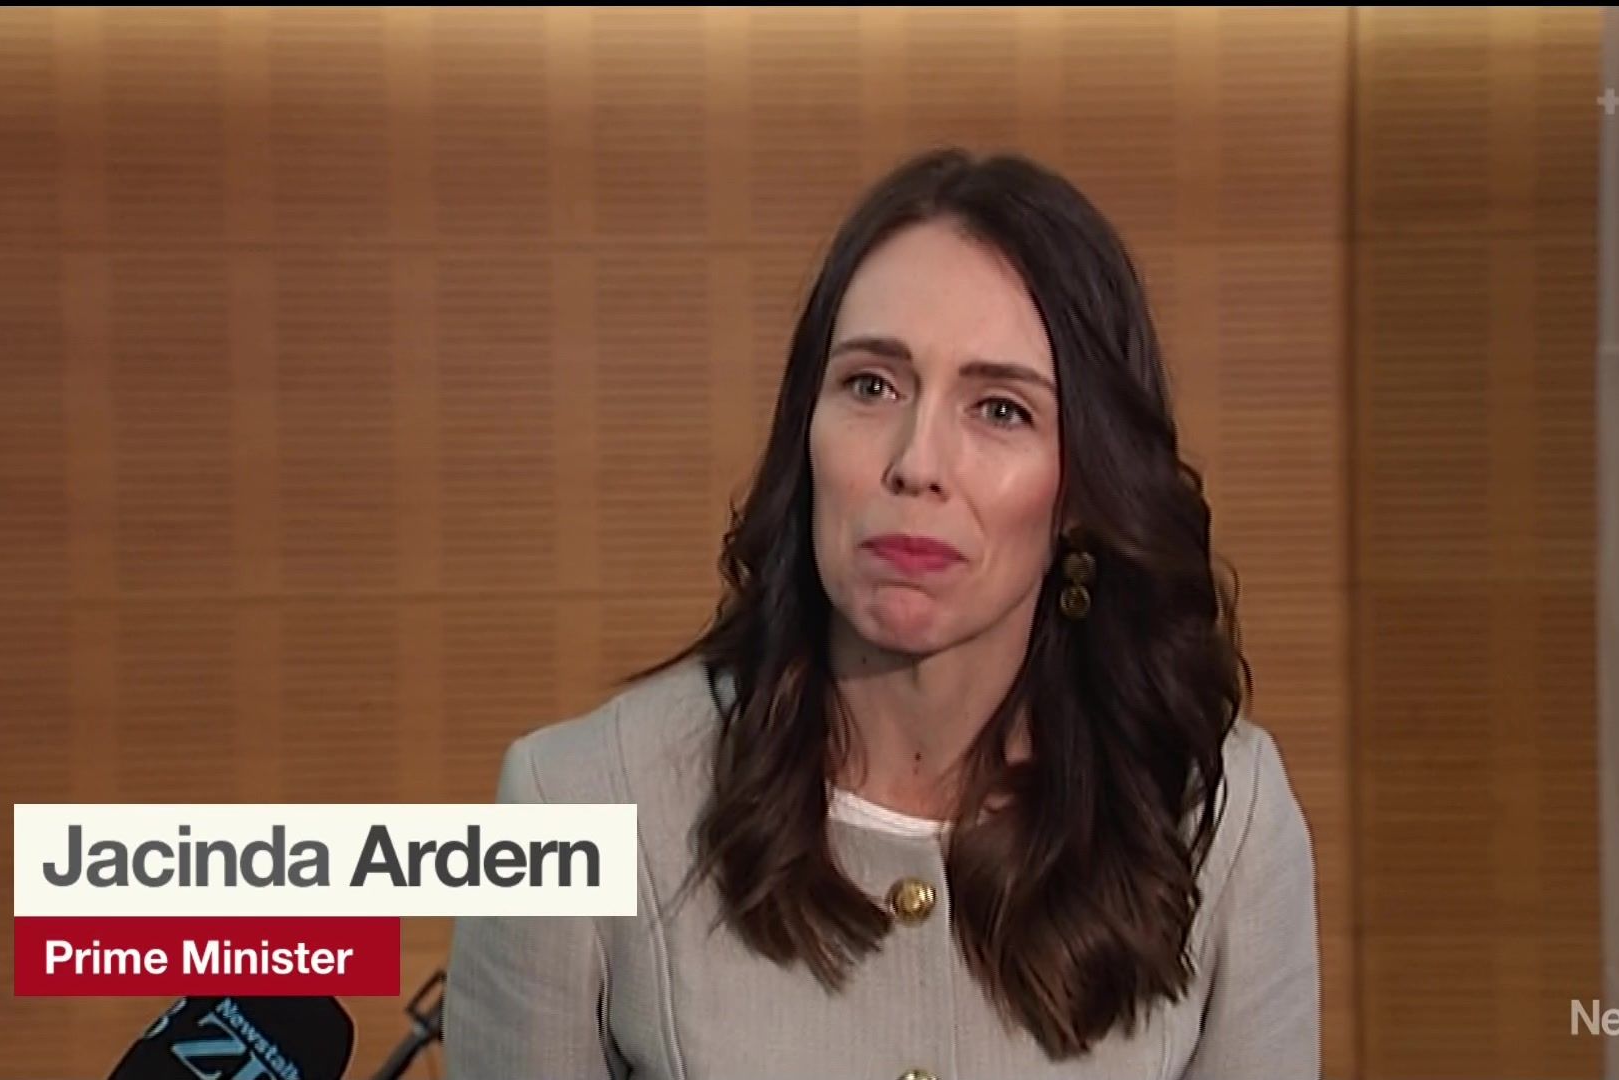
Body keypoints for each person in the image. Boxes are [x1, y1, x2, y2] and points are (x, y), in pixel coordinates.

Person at [444, 148, 1321, 1080]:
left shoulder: (1220, 818)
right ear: (805, 430)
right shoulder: (568, 805)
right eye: (872, 386)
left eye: (1000, 410)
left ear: (1083, 490)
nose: (916, 463)